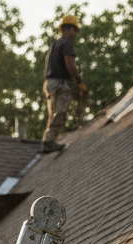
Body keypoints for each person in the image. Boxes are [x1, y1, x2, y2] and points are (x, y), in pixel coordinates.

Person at [40, 14, 87, 154]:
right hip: (60, 84)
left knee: (54, 113)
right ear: (69, 29)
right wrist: (79, 83)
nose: (75, 34)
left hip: (50, 83)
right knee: (59, 112)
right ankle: (48, 142)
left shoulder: (55, 44)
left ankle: (48, 140)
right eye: (75, 30)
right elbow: (70, 64)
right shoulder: (67, 43)